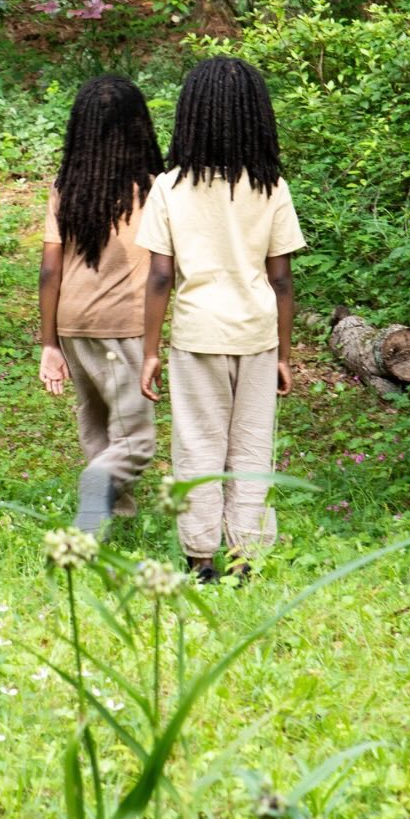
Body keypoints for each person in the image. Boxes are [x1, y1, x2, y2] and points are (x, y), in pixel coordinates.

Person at [137, 55, 305, 581]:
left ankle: (200, 558)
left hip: (197, 334)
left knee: (198, 445)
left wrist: (148, 352)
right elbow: (281, 279)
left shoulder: (168, 187)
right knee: (252, 447)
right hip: (257, 335)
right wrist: (285, 354)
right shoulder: (272, 187)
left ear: (191, 114)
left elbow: (160, 277)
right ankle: (244, 557)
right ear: (258, 115)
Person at [39, 74, 164, 534]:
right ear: (139, 126)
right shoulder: (153, 190)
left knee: (96, 421)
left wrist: (49, 342)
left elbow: (49, 269)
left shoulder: (67, 185)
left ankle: (115, 518)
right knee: (136, 439)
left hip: (72, 321)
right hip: (123, 324)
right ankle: (99, 492)